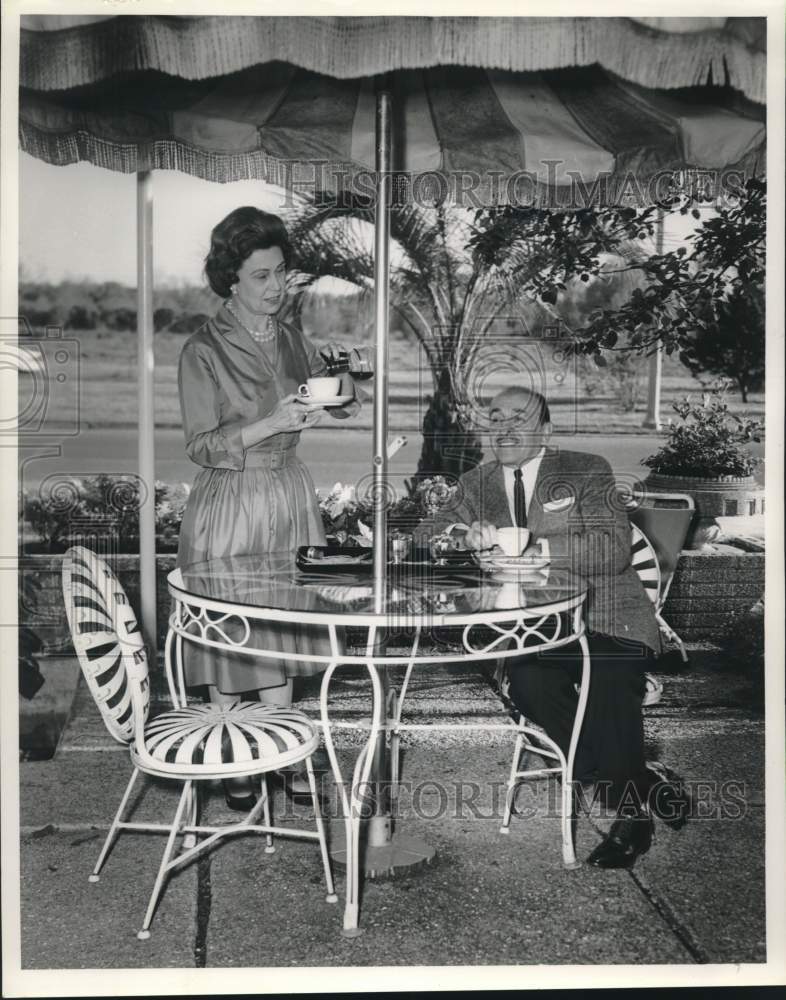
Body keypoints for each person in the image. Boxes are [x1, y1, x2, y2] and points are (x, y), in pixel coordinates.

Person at [417, 385, 688, 868]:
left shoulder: (586, 470)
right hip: (538, 628)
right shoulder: (476, 483)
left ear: (544, 429)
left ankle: (631, 815)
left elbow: (611, 549)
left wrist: (539, 552)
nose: (504, 427)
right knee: (528, 683)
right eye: (495, 416)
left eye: (519, 417)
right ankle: (641, 779)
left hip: (610, 616)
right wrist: (462, 534)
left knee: (606, 677)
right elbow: (424, 537)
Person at [176, 206, 360, 809]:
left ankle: (285, 753)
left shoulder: (289, 337)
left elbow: (336, 405)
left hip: (289, 493)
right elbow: (202, 445)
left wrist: (345, 380)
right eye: (261, 275)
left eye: (281, 272)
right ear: (231, 278)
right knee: (230, 633)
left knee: (282, 626)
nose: (277, 287)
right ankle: (234, 759)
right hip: (231, 499)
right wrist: (271, 422)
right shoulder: (201, 349)